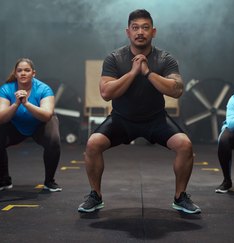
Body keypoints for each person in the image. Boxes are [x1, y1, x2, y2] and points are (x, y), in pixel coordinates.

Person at [78, 9, 200, 214]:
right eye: (135, 28)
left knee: (185, 146)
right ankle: (95, 195)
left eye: (145, 27)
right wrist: (133, 72)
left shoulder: (165, 58)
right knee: (92, 144)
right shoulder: (115, 58)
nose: (140, 32)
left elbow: (177, 90)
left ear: (154, 31)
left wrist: (148, 73)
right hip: (121, 120)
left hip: (155, 119)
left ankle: (180, 197)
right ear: (128, 32)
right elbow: (106, 93)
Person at [0, 58, 62, 192]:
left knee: (53, 140)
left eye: (27, 70)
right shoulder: (6, 89)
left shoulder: (44, 89)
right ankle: (4, 180)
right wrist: (16, 103)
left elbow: (46, 115)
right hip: (16, 125)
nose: (23, 73)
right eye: (20, 70)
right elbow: (1, 117)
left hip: (40, 125)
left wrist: (26, 103)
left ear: (33, 74)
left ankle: (49, 181)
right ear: (15, 74)